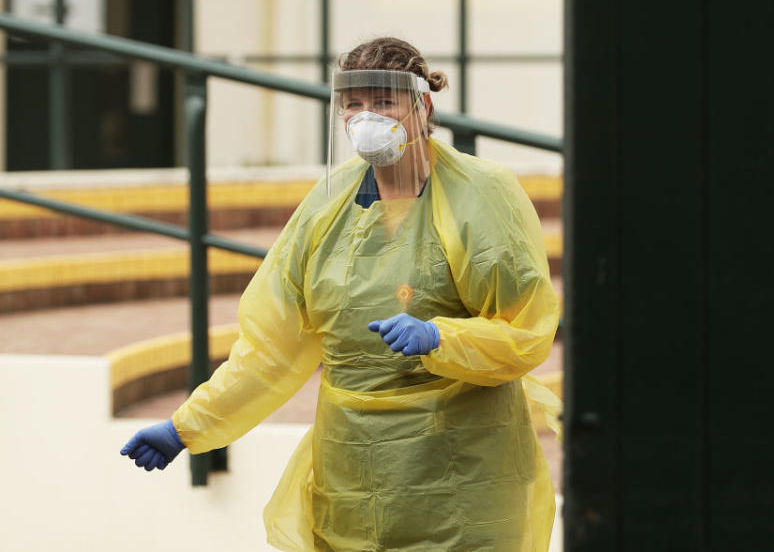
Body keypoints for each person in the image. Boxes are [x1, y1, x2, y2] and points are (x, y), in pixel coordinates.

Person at [120, 37, 560, 551]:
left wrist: (444, 336)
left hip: (460, 474)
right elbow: (272, 347)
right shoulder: (328, 205)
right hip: (352, 473)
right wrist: (186, 427)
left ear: (424, 107)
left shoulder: (480, 195)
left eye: (384, 101)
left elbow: (525, 332)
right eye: (353, 104)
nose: (365, 116)